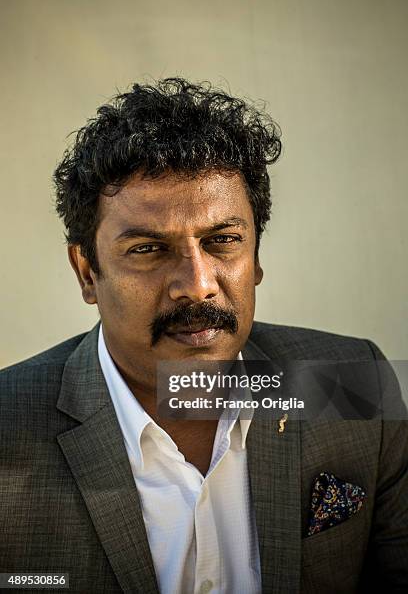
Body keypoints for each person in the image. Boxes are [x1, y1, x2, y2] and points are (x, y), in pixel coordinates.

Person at [0, 78, 407, 594]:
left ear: (256, 257)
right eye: (148, 249)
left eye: (223, 241)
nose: (197, 285)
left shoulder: (352, 384)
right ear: (86, 271)